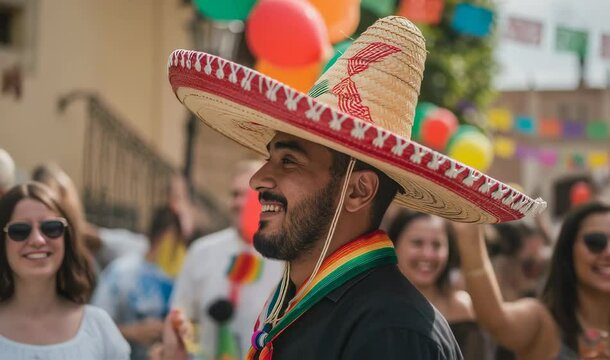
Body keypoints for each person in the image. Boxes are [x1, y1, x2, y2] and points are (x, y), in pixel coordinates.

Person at [163, 15, 546, 360]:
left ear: (359, 190)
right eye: (270, 157)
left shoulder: (392, 331)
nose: (257, 179)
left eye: (289, 161)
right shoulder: (308, 303)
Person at [453, 201, 610, 359]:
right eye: (595, 242)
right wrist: (469, 234)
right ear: (568, 251)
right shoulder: (542, 323)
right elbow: (495, 319)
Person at [0, 182, 130, 359]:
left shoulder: (100, 329)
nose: (37, 240)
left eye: (51, 228)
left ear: (66, 240)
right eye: (20, 230)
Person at [169, 160, 283, 360]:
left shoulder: (286, 259)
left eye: (247, 194)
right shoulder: (202, 251)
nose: (238, 203)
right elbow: (179, 317)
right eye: (234, 195)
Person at [388, 210, 495, 359]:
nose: (428, 254)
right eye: (417, 243)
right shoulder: (376, 308)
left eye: (437, 245)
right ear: (393, 245)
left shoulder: (462, 308)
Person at [92, 206, 183, 359]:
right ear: (168, 235)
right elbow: (94, 328)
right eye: (179, 240)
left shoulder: (180, 276)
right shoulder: (121, 273)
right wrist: (134, 332)